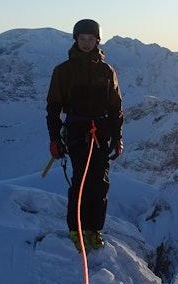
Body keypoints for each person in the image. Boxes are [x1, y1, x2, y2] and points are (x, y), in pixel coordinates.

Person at [46, 19, 124, 251]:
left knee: (99, 182)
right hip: (77, 131)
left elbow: (115, 107)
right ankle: (77, 229)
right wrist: (55, 138)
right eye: (83, 39)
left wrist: (117, 137)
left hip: (100, 131)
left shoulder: (106, 71)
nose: (87, 43)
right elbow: (53, 107)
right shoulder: (63, 71)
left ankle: (94, 230)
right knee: (81, 179)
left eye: (91, 39)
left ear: (97, 41)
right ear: (76, 40)